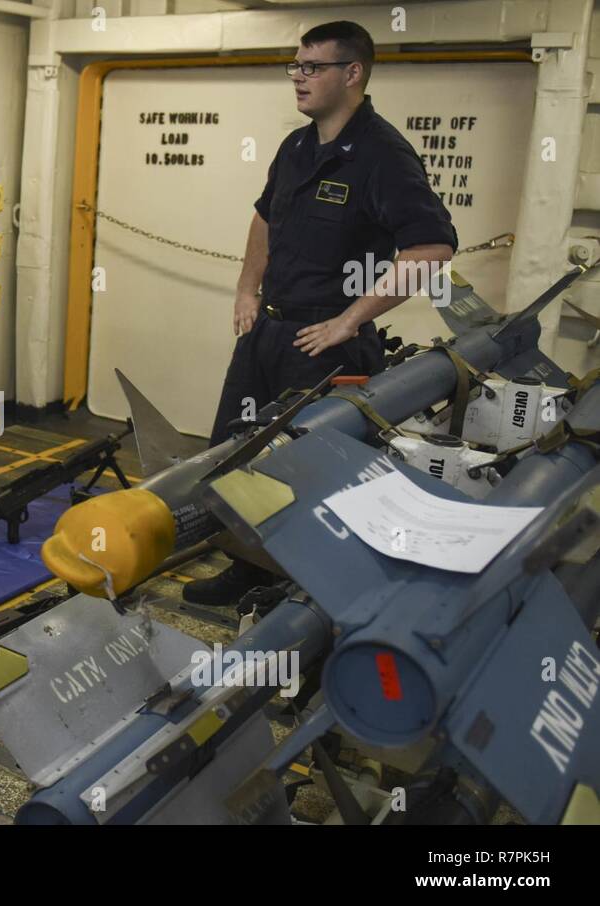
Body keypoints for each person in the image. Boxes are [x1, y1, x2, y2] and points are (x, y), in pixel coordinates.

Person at [184, 21, 458, 606]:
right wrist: (246, 289)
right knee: (240, 455)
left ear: (352, 73)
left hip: (326, 347)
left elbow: (432, 248)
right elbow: (264, 218)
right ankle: (247, 567)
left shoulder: (383, 154)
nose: (298, 79)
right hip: (268, 332)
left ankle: (305, 594)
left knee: (307, 471)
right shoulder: (297, 146)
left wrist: (351, 319)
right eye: (296, 67)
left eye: (312, 68)